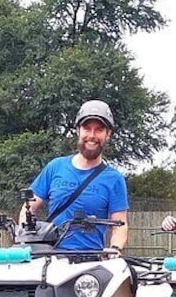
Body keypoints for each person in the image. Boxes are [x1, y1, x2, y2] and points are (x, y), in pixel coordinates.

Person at [19, 99, 129, 252]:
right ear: (78, 130)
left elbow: (120, 225)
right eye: (86, 128)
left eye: (99, 130)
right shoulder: (55, 167)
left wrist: (114, 249)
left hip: (90, 263)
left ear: (108, 134)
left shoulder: (114, 179)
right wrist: (25, 239)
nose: (92, 135)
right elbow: (28, 208)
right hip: (50, 258)